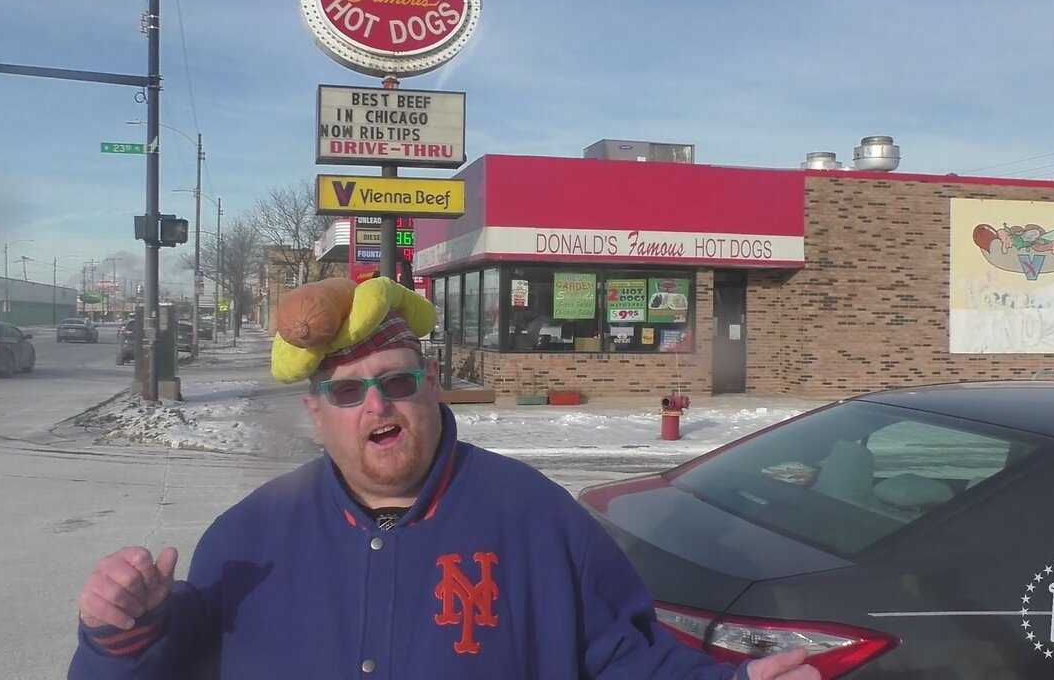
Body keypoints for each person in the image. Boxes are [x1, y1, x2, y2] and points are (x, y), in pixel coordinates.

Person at [70, 277, 818, 680]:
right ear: (315, 411)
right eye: (346, 391)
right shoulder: (247, 541)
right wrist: (120, 637)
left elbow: (624, 661)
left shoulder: (536, 520)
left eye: (395, 382)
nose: (375, 405)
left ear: (429, 386)